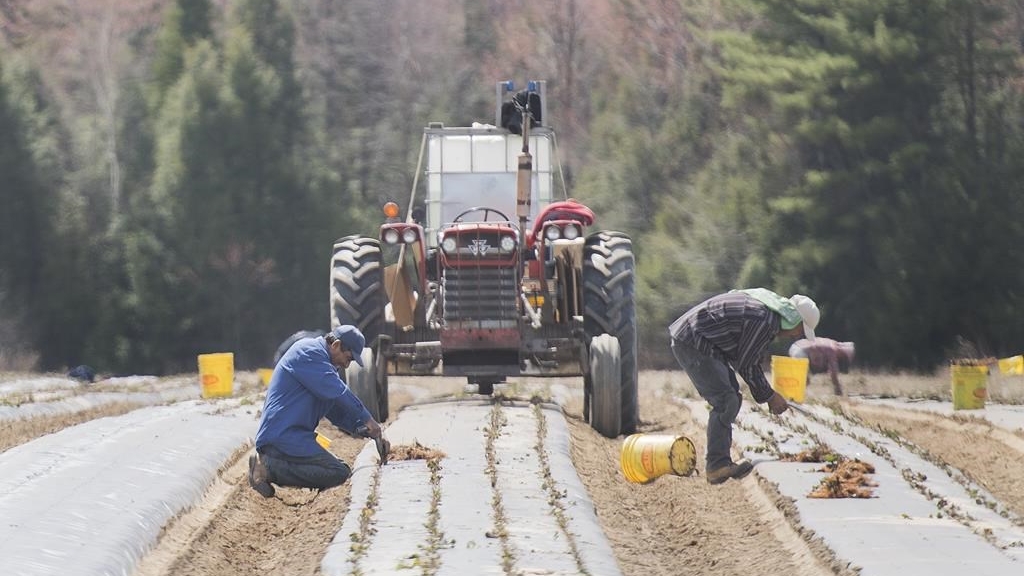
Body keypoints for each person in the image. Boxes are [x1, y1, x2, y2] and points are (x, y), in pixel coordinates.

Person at [668, 288, 820, 485]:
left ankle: (720, 461)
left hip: (699, 340)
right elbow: (747, 364)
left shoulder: (764, 307)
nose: (795, 335)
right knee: (725, 400)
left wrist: (766, 393)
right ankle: (716, 465)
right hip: (694, 341)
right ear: (793, 319)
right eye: (799, 329)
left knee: (731, 396)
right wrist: (770, 396)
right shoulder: (763, 320)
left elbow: (747, 356)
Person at [248, 325, 388, 498]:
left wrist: (362, 429)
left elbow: (334, 412)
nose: (347, 364)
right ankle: (267, 470)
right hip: (282, 436)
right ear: (336, 345)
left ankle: (273, 465)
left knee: (339, 469)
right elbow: (340, 392)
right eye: (349, 358)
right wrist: (368, 419)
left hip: (295, 436)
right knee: (338, 473)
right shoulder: (308, 352)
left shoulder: (324, 365)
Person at [788, 337, 854, 396]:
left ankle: (796, 394)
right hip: (800, 351)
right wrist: (837, 388)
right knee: (804, 379)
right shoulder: (832, 350)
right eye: (843, 356)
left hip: (795, 346)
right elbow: (833, 372)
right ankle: (795, 396)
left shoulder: (831, 343)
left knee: (803, 379)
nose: (841, 358)